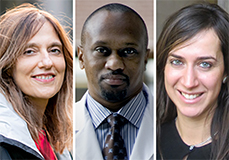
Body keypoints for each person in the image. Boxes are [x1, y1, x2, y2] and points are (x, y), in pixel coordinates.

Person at [75, 3, 153, 160]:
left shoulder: (170, 125)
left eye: (129, 52)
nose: (114, 64)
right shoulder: (56, 133)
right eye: (102, 51)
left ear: (145, 58)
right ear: (82, 57)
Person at [156, 2, 229, 160]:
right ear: (163, 67)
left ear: (226, 72)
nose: (189, 82)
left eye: (205, 64)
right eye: (177, 62)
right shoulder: (148, 141)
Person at [0, 3, 73, 160]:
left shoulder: (53, 141)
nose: (47, 62)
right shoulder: (3, 144)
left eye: (54, 50)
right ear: (7, 66)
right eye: (29, 51)